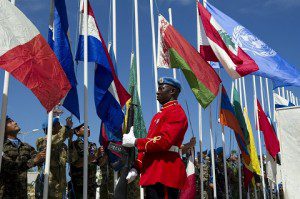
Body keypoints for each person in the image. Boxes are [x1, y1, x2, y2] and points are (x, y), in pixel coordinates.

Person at [122, 77, 188, 199]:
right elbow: (149, 143)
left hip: (165, 170)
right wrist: (137, 166)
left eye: (161, 88)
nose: (157, 92)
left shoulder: (176, 112)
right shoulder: (158, 115)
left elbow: (163, 142)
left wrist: (135, 142)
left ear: (172, 91)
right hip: (152, 170)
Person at [0, 116, 45, 198]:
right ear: (3, 128)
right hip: (5, 194)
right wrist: (34, 161)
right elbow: (10, 167)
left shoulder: (26, 146)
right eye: (10, 122)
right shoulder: (1, 146)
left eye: (13, 121)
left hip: (22, 194)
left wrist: (45, 147)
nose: (15, 122)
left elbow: (39, 158)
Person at [35, 117, 73, 198]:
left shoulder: (63, 146)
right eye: (58, 124)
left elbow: (72, 159)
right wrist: (67, 128)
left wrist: (70, 139)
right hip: (47, 185)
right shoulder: (42, 141)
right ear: (51, 128)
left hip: (60, 186)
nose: (60, 126)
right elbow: (53, 142)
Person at [68, 123, 105, 199]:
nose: (88, 129)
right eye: (84, 128)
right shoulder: (74, 145)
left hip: (91, 185)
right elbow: (77, 163)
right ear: (77, 132)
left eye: (88, 127)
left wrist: (105, 155)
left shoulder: (92, 145)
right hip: (79, 185)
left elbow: (99, 163)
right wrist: (96, 155)